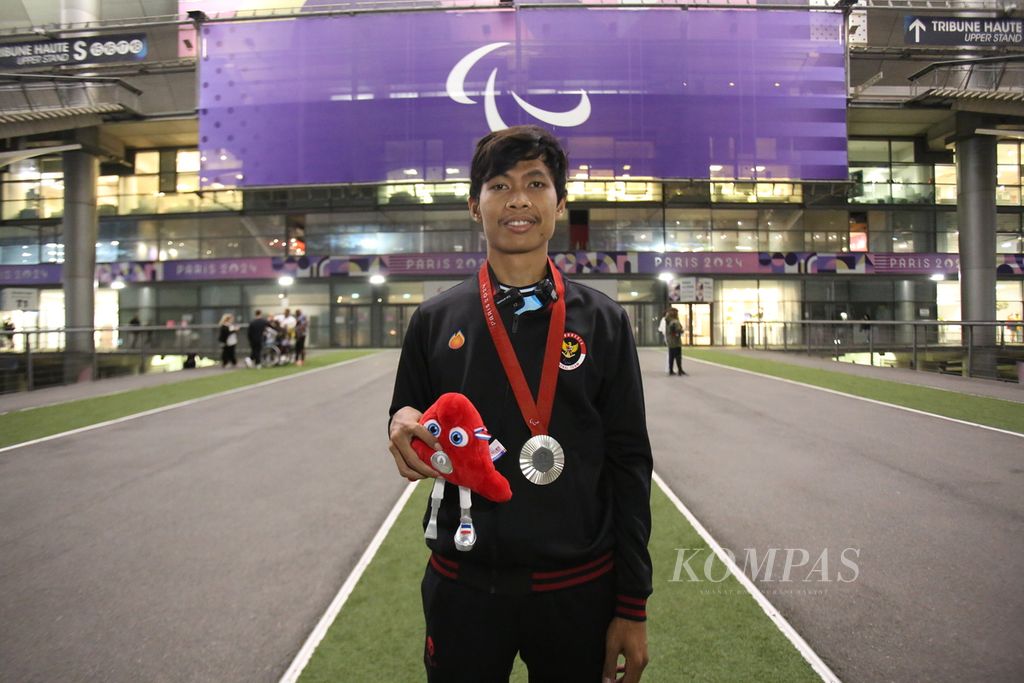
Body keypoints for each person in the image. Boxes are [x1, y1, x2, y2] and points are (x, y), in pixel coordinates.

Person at [388, 125, 652, 683]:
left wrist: (632, 602)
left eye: (536, 183)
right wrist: (400, 424)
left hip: (579, 590)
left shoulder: (602, 321)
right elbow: (406, 416)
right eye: (499, 185)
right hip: (462, 586)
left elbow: (630, 462)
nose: (518, 199)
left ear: (559, 202)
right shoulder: (435, 320)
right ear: (473, 204)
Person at [663, 308, 685, 376]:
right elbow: (678, 330)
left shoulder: (668, 321)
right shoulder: (675, 321)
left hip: (670, 341)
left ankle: (671, 370)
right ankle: (680, 369)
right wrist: (681, 331)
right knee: (678, 356)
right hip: (676, 341)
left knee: (671, 356)